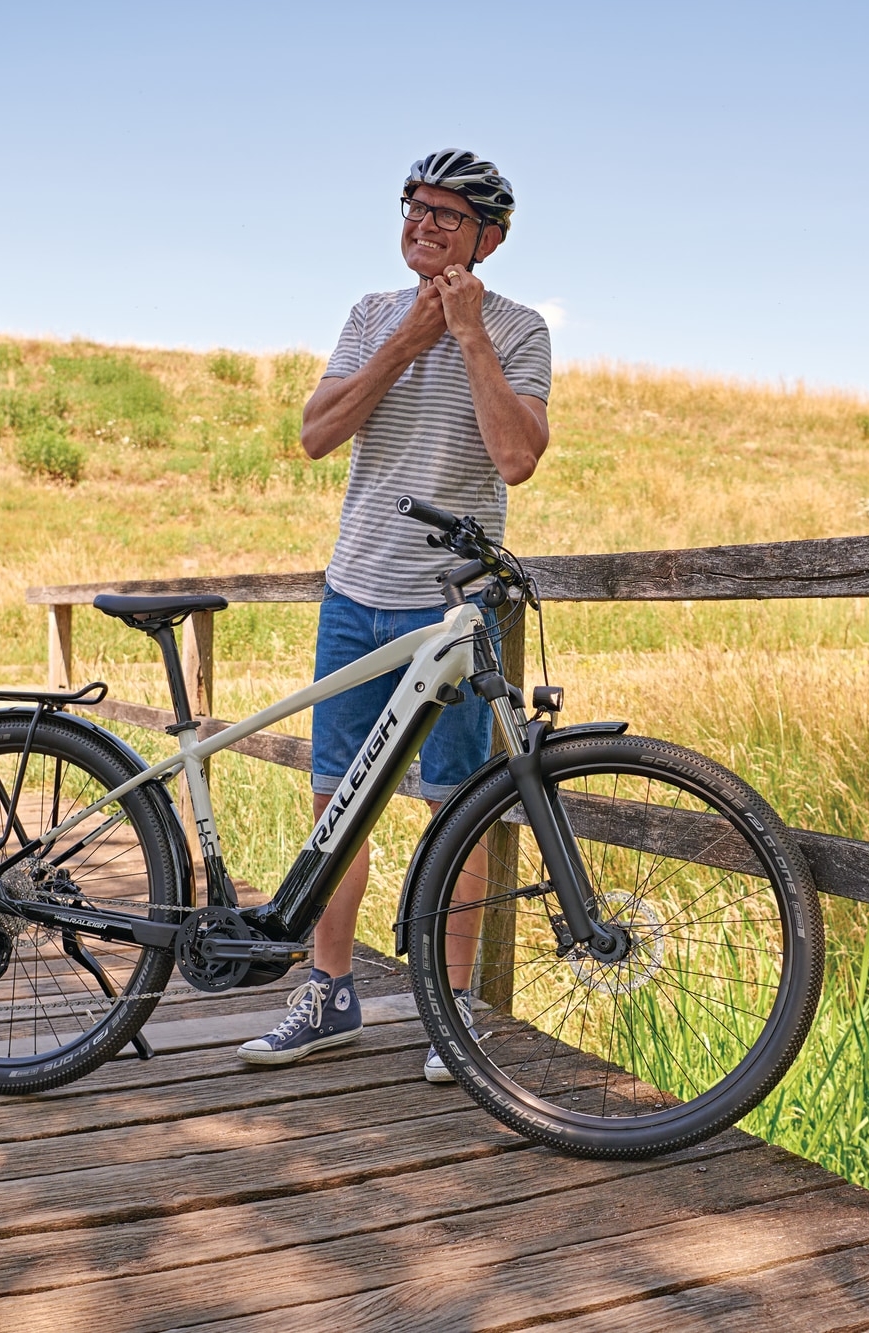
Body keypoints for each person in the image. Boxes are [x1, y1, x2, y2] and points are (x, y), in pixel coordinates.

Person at [238, 149, 552, 1080]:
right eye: (415, 208)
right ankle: (327, 991)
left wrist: (466, 340)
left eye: (448, 217)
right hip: (355, 594)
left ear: (488, 238)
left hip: (455, 609)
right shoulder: (372, 315)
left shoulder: (521, 328)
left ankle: (451, 1011)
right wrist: (404, 347)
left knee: (456, 812)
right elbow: (315, 433)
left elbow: (516, 458)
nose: (424, 224)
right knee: (337, 804)